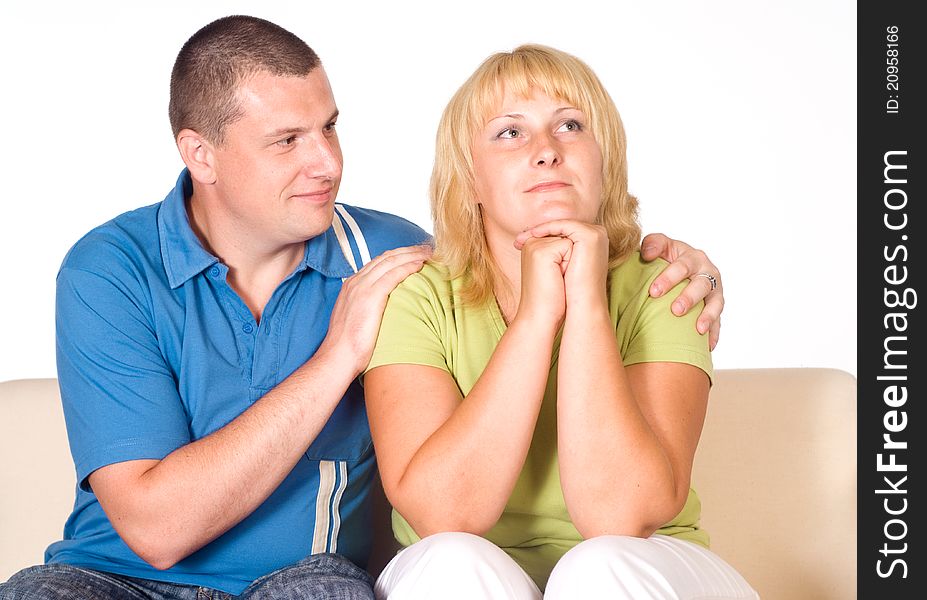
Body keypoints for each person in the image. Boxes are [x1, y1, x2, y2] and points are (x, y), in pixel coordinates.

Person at [0, 17, 726, 600]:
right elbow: (157, 530)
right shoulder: (110, 269)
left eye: (329, 127)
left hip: (303, 580)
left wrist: (666, 260)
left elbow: (514, 238)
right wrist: (336, 357)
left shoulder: (392, 258)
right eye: (286, 141)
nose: (327, 163)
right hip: (113, 577)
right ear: (201, 154)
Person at [364, 44, 757, 599]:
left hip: (649, 566)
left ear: (605, 161)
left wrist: (586, 306)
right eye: (509, 132)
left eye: (570, 125)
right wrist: (537, 316)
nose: (546, 151)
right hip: (469, 571)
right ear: (470, 180)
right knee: (449, 561)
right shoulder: (417, 297)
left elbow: (622, 513)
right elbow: (443, 512)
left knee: (600, 566)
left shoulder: (666, 284)